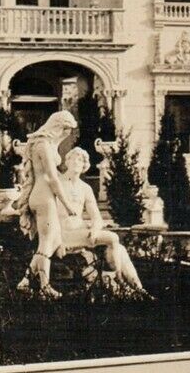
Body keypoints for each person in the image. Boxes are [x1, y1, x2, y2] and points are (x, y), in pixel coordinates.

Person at [58, 147, 147, 296]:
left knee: (120, 250)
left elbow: (97, 217)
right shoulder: (58, 183)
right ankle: (119, 280)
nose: (75, 161)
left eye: (80, 159)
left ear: (84, 165)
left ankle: (138, 288)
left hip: (80, 231)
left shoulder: (85, 188)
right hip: (64, 233)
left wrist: (94, 229)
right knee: (113, 238)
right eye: (72, 158)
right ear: (66, 161)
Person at [11, 110, 81, 297]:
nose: (67, 134)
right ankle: (44, 287)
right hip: (44, 197)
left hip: (43, 197)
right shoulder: (43, 145)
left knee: (53, 242)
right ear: (58, 126)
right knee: (46, 243)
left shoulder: (46, 144)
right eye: (66, 129)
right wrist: (67, 204)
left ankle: (26, 281)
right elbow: (51, 178)